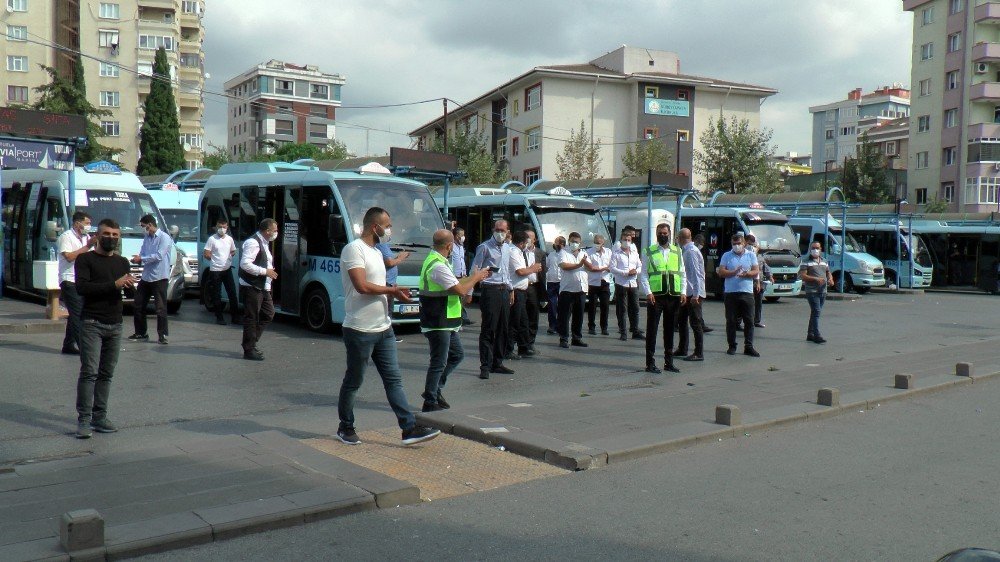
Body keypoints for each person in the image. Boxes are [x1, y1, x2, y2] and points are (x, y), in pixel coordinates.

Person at [336, 207, 440, 446]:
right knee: (354, 381)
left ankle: (409, 428)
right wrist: (392, 290)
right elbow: (362, 286)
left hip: (384, 328)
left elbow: (378, 284)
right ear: (375, 227)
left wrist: (393, 292)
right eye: (387, 226)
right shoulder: (354, 249)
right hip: (360, 329)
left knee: (394, 380)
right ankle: (346, 427)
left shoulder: (376, 251)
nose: (390, 230)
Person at [73, 218, 135, 439]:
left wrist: (131, 286)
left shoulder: (122, 262)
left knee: (106, 373)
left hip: (115, 324)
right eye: (107, 234)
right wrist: (114, 285)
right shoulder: (85, 259)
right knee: (90, 372)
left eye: (115, 235)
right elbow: (82, 288)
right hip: (92, 322)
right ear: (97, 236)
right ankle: (84, 420)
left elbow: (128, 294)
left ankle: (100, 417)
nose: (111, 238)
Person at [420, 229, 491, 412]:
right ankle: (430, 400)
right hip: (438, 321)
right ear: (449, 246)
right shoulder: (437, 265)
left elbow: (456, 284)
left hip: (447, 321)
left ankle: (435, 389)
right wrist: (476, 278)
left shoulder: (441, 262)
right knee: (439, 362)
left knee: (457, 355)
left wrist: (474, 276)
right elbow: (460, 290)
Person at [639, 222, 686, 373]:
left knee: (670, 329)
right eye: (660, 233)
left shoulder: (677, 251)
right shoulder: (649, 251)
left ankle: (669, 362)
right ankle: (650, 363)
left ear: (670, 234)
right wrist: (648, 292)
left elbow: (682, 273)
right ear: (656, 234)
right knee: (652, 329)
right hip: (656, 296)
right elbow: (644, 274)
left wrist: (683, 291)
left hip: (673, 295)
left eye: (665, 233)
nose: (663, 235)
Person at [471, 219, 514, 379]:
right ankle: (485, 365)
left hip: (504, 289)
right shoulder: (484, 247)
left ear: (507, 232)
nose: (500, 233)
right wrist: (469, 291)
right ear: (493, 230)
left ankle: (497, 362)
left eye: (503, 230)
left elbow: (506, 271)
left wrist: (511, 289)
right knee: (489, 328)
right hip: (490, 289)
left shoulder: (507, 248)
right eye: (497, 230)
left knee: (503, 328)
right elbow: (475, 269)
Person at [238, 219, 279, 361]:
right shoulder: (253, 242)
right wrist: (265, 271)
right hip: (251, 285)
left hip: (262, 286)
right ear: (267, 231)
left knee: (268, 313)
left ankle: (251, 342)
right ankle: (249, 349)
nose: (276, 233)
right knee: (252, 317)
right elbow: (245, 264)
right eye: (275, 230)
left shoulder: (264, 242)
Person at [129, 214, 173, 345]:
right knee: (138, 304)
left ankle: (162, 335)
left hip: (159, 277)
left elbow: (159, 256)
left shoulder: (164, 237)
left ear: (149, 225)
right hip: (146, 276)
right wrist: (138, 258)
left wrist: (142, 258)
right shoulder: (147, 237)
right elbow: (143, 252)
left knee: (160, 307)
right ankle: (141, 332)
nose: (143, 229)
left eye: (143, 226)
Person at [57, 211, 95, 354]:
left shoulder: (87, 238)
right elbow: (69, 257)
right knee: (78, 314)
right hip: (69, 280)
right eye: (87, 223)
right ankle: (84, 347)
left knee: (76, 313)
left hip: (82, 280)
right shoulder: (66, 237)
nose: (89, 226)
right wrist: (87, 247)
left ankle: (68, 344)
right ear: (77, 223)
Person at [718, 232, 760, 357]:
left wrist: (747, 274)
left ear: (744, 243)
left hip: (747, 292)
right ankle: (732, 346)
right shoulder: (726, 255)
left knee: (749, 320)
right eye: (734, 244)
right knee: (731, 320)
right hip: (731, 293)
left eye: (739, 243)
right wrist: (733, 272)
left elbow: (756, 271)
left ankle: (749, 346)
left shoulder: (751, 255)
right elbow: (721, 272)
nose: (736, 246)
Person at [507, 230, 543, 359]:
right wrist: (533, 269)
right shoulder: (513, 252)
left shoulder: (519, 252)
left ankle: (524, 347)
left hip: (523, 290)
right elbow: (520, 271)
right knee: (514, 321)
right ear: (522, 243)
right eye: (526, 242)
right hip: (516, 291)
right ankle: (508, 349)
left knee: (523, 321)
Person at [675, 228, 705, 361]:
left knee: (695, 323)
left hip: (693, 293)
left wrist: (696, 295)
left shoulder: (691, 252)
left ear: (681, 238)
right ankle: (683, 348)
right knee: (681, 320)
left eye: (678, 238)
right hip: (686, 292)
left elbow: (697, 274)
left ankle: (699, 352)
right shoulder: (686, 250)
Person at [203, 218, 239, 326]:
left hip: (227, 269)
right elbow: (206, 253)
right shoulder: (212, 239)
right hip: (215, 270)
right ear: (216, 227)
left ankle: (235, 317)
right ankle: (219, 317)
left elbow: (233, 251)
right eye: (220, 227)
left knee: (232, 293)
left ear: (227, 227)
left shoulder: (229, 239)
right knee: (217, 294)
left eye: (224, 227)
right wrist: (215, 259)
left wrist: (229, 257)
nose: (222, 229)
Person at [557, 231, 590, 348]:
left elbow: (589, 267)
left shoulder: (584, 254)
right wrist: (579, 265)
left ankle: (576, 338)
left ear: (580, 243)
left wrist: (586, 264)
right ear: (569, 241)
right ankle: (563, 338)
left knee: (579, 315)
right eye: (572, 241)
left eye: (576, 242)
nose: (574, 244)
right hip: (567, 289)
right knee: (565, 315)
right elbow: (564, 266)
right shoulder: (563, 252)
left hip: (581, 289)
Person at [609, 229, 643, 341]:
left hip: (633, 283)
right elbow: (612, 268)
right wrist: (625, 272)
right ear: (621, 240)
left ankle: (635, 330)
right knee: (622, 309)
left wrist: (635, 271)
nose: (627, 242)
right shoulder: (616, 254)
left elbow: (640, 266)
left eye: (629, 240)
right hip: (621, 283)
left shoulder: (634, 253)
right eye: (625, 240)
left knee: (635, 307)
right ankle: (623, 332)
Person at [800, 240, 835, 344]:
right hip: (812, 290)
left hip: (823, 290)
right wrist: (816, 279)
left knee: (815, 312)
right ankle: (817, 335)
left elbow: (828, 272)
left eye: (817, 248)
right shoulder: (806, 261)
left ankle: (810, 334)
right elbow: (803, 276)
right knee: (816, 311)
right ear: (810, 249)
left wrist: (831, 279)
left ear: (820, 249)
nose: (815, 250)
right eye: (813, 248)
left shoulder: (824, 261)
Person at [376, 241, 411, 343]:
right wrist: (401, 257)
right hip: (386, 282)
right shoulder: (381, 244)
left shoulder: (384, 244)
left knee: (388, 311)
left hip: (390, 282)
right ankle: (387, 337)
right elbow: (389, 262)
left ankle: (387, 335)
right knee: (387, 311)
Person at [586, 234, 613, 336]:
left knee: (605, 306)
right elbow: (590, 267)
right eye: (595, 242)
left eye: (599, 243)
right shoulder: (589, 252)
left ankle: (604, 328)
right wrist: (604, 268)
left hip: (605, 282)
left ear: (603, 243)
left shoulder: (608, 252)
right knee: (592, 306)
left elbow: (612, 265)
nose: (597, 244)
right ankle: (591, 327)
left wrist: (604, 268)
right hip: (593, 282)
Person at [745, 234, 771, 329]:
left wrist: (770, 276)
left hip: (759, 283)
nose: (752, 247)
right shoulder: (744, 255)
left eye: (754, 245)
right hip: (747, 283)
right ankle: (742, 322)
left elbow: (765, 267)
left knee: (758, 303)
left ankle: (757, 320)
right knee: (746, 303)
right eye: (750, 244)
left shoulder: (759, 256)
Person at [525, 230, 545, 350]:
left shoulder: (540, 253)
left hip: (534, 287)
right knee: (520, 316)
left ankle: (530, 342)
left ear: (534, 240)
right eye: (525, 237)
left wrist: (543, 294)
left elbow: (543, 274)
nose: (527, 239)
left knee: (533, 315)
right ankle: (520, 342)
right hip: (521, 287)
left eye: (529, 237)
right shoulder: (518, 251)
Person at [451, 226, 473, 326]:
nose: (463, 237)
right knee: (457, 297)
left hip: (462, 275)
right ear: (456, 236)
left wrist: (464, 273)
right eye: (461, 235)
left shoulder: (461, 247)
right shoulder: (451, 246)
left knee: (465, 296)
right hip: (454, 276)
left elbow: (461, 261)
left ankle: (462, 316)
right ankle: (461, 318)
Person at [693, 233, 714, 334]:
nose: (702, 244)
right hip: (694, 285)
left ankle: (676, 324)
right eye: (701, 242)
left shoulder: (696, 251)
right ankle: (701, 325)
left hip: (697, 283)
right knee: (697, 307)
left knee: (692, 308)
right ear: (696, 241)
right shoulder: (693, 251)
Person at [544, 236, 565, 335]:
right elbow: (547, 266)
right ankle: (552, 325)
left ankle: (561, 325)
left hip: (562, 282)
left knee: (562, 305)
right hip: (551, 282)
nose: (554, 244)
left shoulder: (566, 254)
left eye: (556, 242)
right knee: (552, 305)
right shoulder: (551, 255)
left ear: (562, 244)